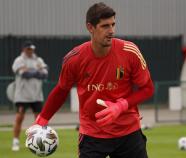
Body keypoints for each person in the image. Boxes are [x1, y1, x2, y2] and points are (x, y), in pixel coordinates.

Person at [26, 2, 154, 158]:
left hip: (128, 132)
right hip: (92, 135)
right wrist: (42, 119)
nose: (111, 31)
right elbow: (61, 90)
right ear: (90, 27)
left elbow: (148, 89)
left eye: (113, 24)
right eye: (105, 26)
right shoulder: (74, 59)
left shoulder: (130, 51)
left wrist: (120, 106)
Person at [11, 41, 48, 151]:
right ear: (24, 49)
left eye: (32, 49)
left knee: (40, 120)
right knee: (19, 118)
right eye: (28, 49)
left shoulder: (38, 60)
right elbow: (24, 74)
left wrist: (32, 71)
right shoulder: (19, 60)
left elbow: (45, 73)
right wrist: (37, 71)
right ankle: (15, 141)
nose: (30, 51)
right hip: (22, 96)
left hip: (37, 96)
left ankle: (39, 142)